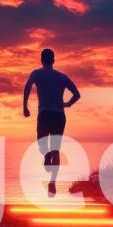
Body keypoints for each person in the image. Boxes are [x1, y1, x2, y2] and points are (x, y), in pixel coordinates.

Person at [23, 48, 81, 195]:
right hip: (59, 116)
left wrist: (25, 106)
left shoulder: (37, 73)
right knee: (56, 150)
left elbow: (28, 86)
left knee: (41, 144)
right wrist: (67, 104)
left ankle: (46, 154)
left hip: (44, 114)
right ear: (53, 60)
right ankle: (53, 182)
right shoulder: (62, 77)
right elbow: (77, 94)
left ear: (41, 60)